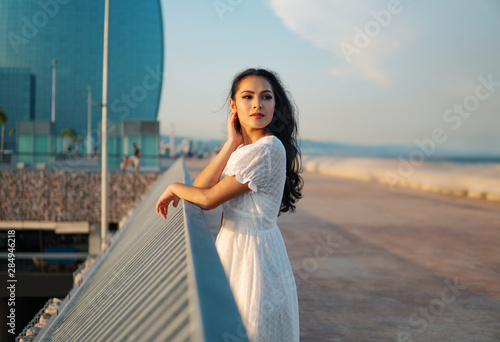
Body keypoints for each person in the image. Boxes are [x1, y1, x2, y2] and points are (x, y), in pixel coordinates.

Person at [156, 68, 303, 342]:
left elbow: (208, 200)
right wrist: (231, 143)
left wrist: (174, 187)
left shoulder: (268, 149)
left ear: (275, 105)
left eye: (266, 97)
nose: (258, 104)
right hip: (235, 247)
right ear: (233, 106)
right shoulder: (245, 149)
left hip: (254, 256)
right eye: (248, 97)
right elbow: (200, 189)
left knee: (249, 329)